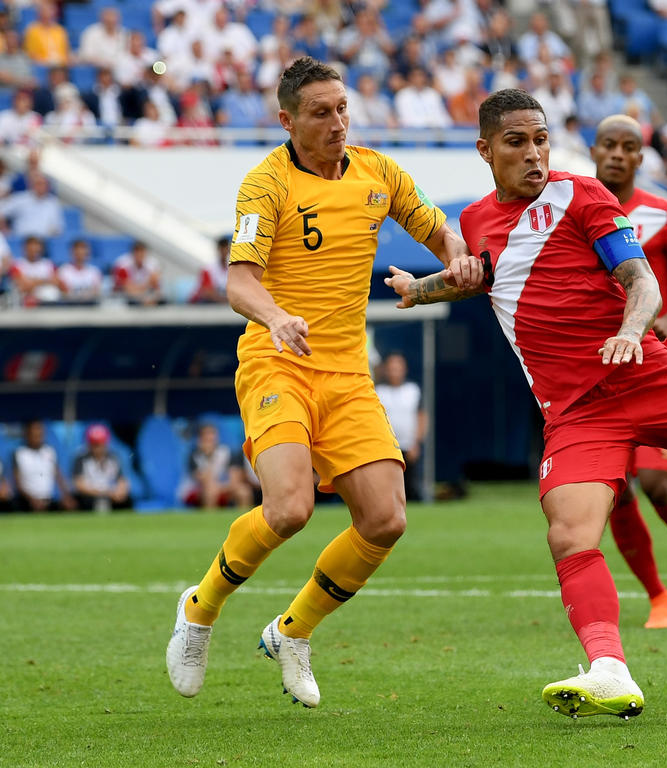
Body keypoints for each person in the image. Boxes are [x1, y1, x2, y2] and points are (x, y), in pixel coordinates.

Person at [385, 89, 667, 720]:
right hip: (575, 410)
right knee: (568, 533)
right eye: (516, 142)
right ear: (485, 150)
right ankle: (609, 668)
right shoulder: (477, 221)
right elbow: (481, 278)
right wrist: (420, 289)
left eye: (540, 140)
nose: (533, 154)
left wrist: (630, 330)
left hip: (648, 373)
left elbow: (639, 279)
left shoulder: (584, 196)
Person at [166, 57, 478, 709]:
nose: (337, 122)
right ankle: (200, 608)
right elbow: (239, 282)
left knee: (386, 519)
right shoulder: (266, 183)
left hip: (346, 372)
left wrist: (459, 261)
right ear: (287, 120)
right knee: (289, 509)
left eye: (342, 107)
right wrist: (277, 316)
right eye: (320, 112)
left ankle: (292, 632)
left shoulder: (378, 172)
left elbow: (436, 230)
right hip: (277, 361)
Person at [590, 114, 667, 628]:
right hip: (593, 374)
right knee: (614, 493)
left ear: (641, 158)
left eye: (629, 147)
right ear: (593, 151)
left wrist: (666, 319)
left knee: (659, 486)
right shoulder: (569, 212)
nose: (618, 154)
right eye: (608, 145)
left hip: (649, 370)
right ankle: (657, 596)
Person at [374, 352, 427, 502]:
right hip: (386, 448)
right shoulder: (378, 391)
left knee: (410, 487)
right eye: (391, 368)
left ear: (404, 369)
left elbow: (422, 416)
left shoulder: (413, 390)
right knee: (387, 489)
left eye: (398, 367)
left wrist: (416, 442)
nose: (394, 371)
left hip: (408, 446)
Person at [183, 422, 254, 510]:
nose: (210, 437)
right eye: (206, 434)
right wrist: (208, 457)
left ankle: (245, 521)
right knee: (210, 491)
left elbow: (234, 479)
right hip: (199, 489)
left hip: (223, 486)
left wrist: (222, 488)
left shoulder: (226, 452)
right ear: (200, 439)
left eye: (212, 434)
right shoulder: (194, 455)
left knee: (244, 491)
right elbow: (205, 481)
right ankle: (210, 521)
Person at [12, 420, 75, 512]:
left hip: (48, 500)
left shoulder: (49, 451)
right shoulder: (19, 453)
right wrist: (32, 500)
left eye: (40, 434)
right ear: (27, 435)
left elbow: (58, 475)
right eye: (34, 435)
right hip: (26, 502)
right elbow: (17, 482)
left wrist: (66, 496)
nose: (38, 437)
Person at [72, 424, 132, 511]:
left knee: (127, 501)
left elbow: (122, 480)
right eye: (94, 444)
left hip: (111, 495)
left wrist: (120, 492)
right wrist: (104, 493)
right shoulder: (81, 458)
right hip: (90, 496)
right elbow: (79, 484)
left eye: (100, 444)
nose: (97, 448)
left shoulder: (113, 457)